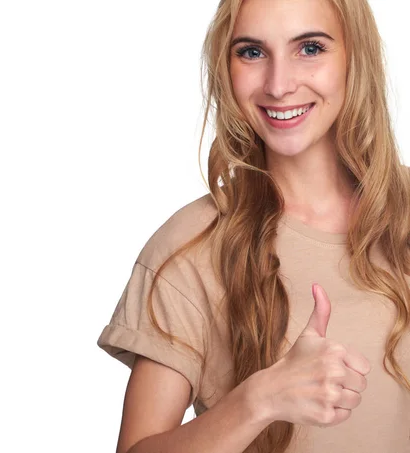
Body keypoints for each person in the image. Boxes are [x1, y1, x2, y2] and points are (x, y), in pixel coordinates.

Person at [96, 0, 410, 452]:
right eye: (252, 52)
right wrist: (259, 400)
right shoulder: (190, 249)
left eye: (310, 48)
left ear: (354, 57)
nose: (279, 85)